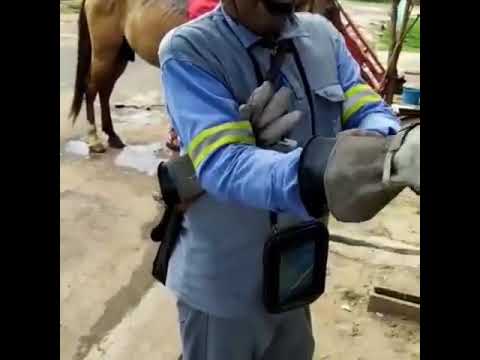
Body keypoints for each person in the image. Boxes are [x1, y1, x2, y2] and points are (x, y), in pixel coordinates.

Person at [157, 1, 419, 359]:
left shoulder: (323, 37)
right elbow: (224, 165)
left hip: (295, 272)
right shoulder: (190, 50)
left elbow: (370, 110)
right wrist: (326, 170)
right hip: (225, 285)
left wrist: (388, 150)